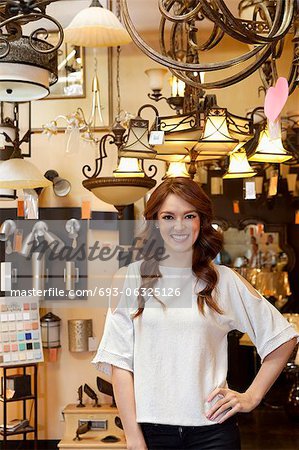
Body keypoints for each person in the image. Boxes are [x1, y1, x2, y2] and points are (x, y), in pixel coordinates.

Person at [92, 178, 299, 450]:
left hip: (213, 432)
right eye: (168, 216)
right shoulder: (129, 279)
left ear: (201, 221)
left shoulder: (223, 281)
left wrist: (251, 396)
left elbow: (283, 338)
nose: (179, 226)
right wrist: (133, 437)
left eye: (189, 215)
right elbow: (120, 365)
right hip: (152, 433)